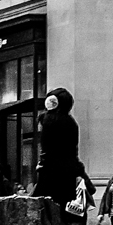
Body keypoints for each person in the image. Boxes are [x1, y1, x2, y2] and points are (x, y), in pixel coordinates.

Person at [37, 87, 83, 217]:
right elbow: (72, 150)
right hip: (67, 170)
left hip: (51, 170)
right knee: (63, 206)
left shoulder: (49, 121)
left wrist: (42, 163)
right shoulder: (71, 122)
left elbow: (46, 148)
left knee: (47, 208)